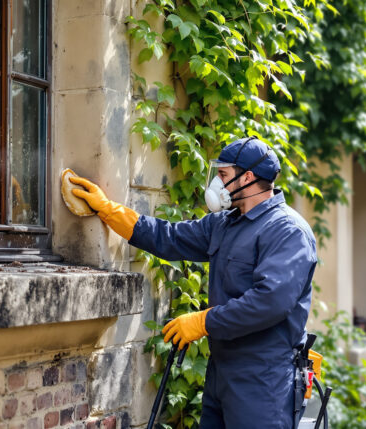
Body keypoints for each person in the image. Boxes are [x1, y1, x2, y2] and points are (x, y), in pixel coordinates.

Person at [69, 136, 317, 428]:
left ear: (248, 177)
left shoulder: (287, 231)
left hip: (263, 380)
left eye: (223, 174)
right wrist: (108, 210)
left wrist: (203, 322)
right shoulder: (224, 223)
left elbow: (269, 302)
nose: (217, 182)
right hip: (221, 372)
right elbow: (169, 238)